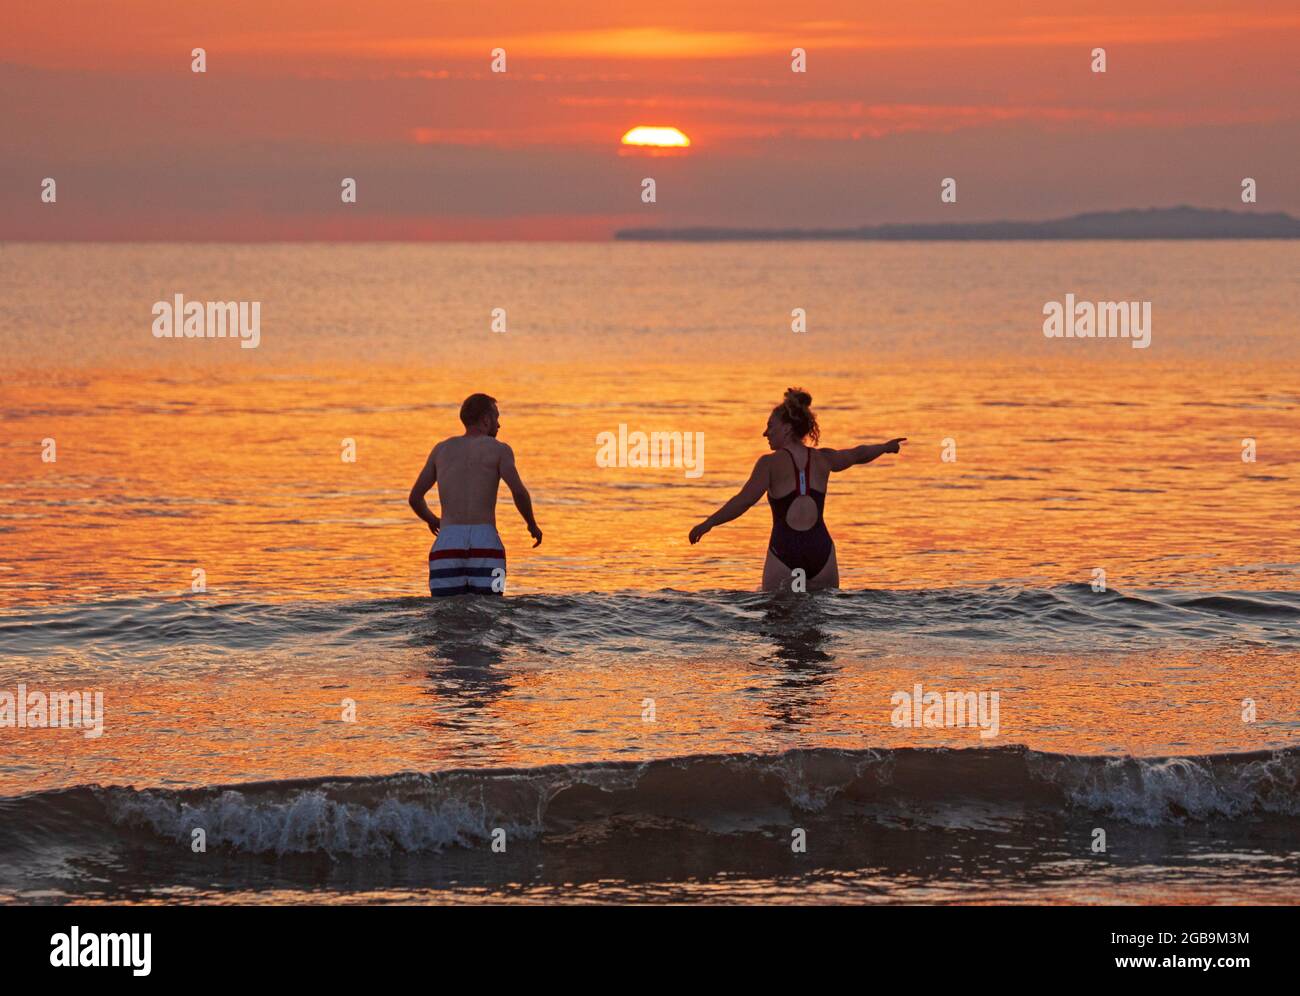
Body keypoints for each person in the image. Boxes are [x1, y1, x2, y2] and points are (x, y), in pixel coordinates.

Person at [688, 388, 904, 591]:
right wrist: (885, 447)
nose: (765, 433)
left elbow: (744, 501)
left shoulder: (769, 464)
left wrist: (709, 523)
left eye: (770, 426)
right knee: (818, 625)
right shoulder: (823, 459)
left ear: (787, 427)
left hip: (785, 552)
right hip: (821, 552)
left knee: (778, 623)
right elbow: (858, 454)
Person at [408, 393, 542, 596]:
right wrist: (531, 524)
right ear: (486, 419)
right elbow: (519, 492)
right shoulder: (500, 450)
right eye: (497, 417)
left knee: (445, 615)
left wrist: (433, 520)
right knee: (490, 612)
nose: (499, 425)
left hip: (447, 542)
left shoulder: (441, 450)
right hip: (486, 542)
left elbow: (415, 497)